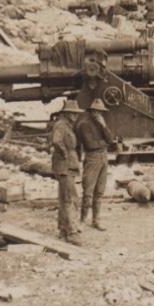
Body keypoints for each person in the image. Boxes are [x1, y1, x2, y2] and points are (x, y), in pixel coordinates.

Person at [76, 98, 115, 231]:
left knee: (99, 191)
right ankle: (82, 220)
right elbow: (90, 144)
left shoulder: (102, 124)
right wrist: (104, 143)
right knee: (88, 191)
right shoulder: (84, 125)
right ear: (91, 111)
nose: (98, 114)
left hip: (104, 157)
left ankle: (96, 220)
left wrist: (104, 126)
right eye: (96, 111)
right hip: (92, 158)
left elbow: (111, 140)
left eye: (100, 112)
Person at [49, 100, 84, 244]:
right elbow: (57, 141)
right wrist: (65, 154)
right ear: (67, 113)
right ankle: (72, 232)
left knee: (65, 198)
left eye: (76, 113)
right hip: (65, 166)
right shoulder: (61, 126)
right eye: (73, 113)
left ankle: (64, 228)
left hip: (67, 165)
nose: (75, 116)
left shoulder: (67, 126)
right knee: (71, 198)